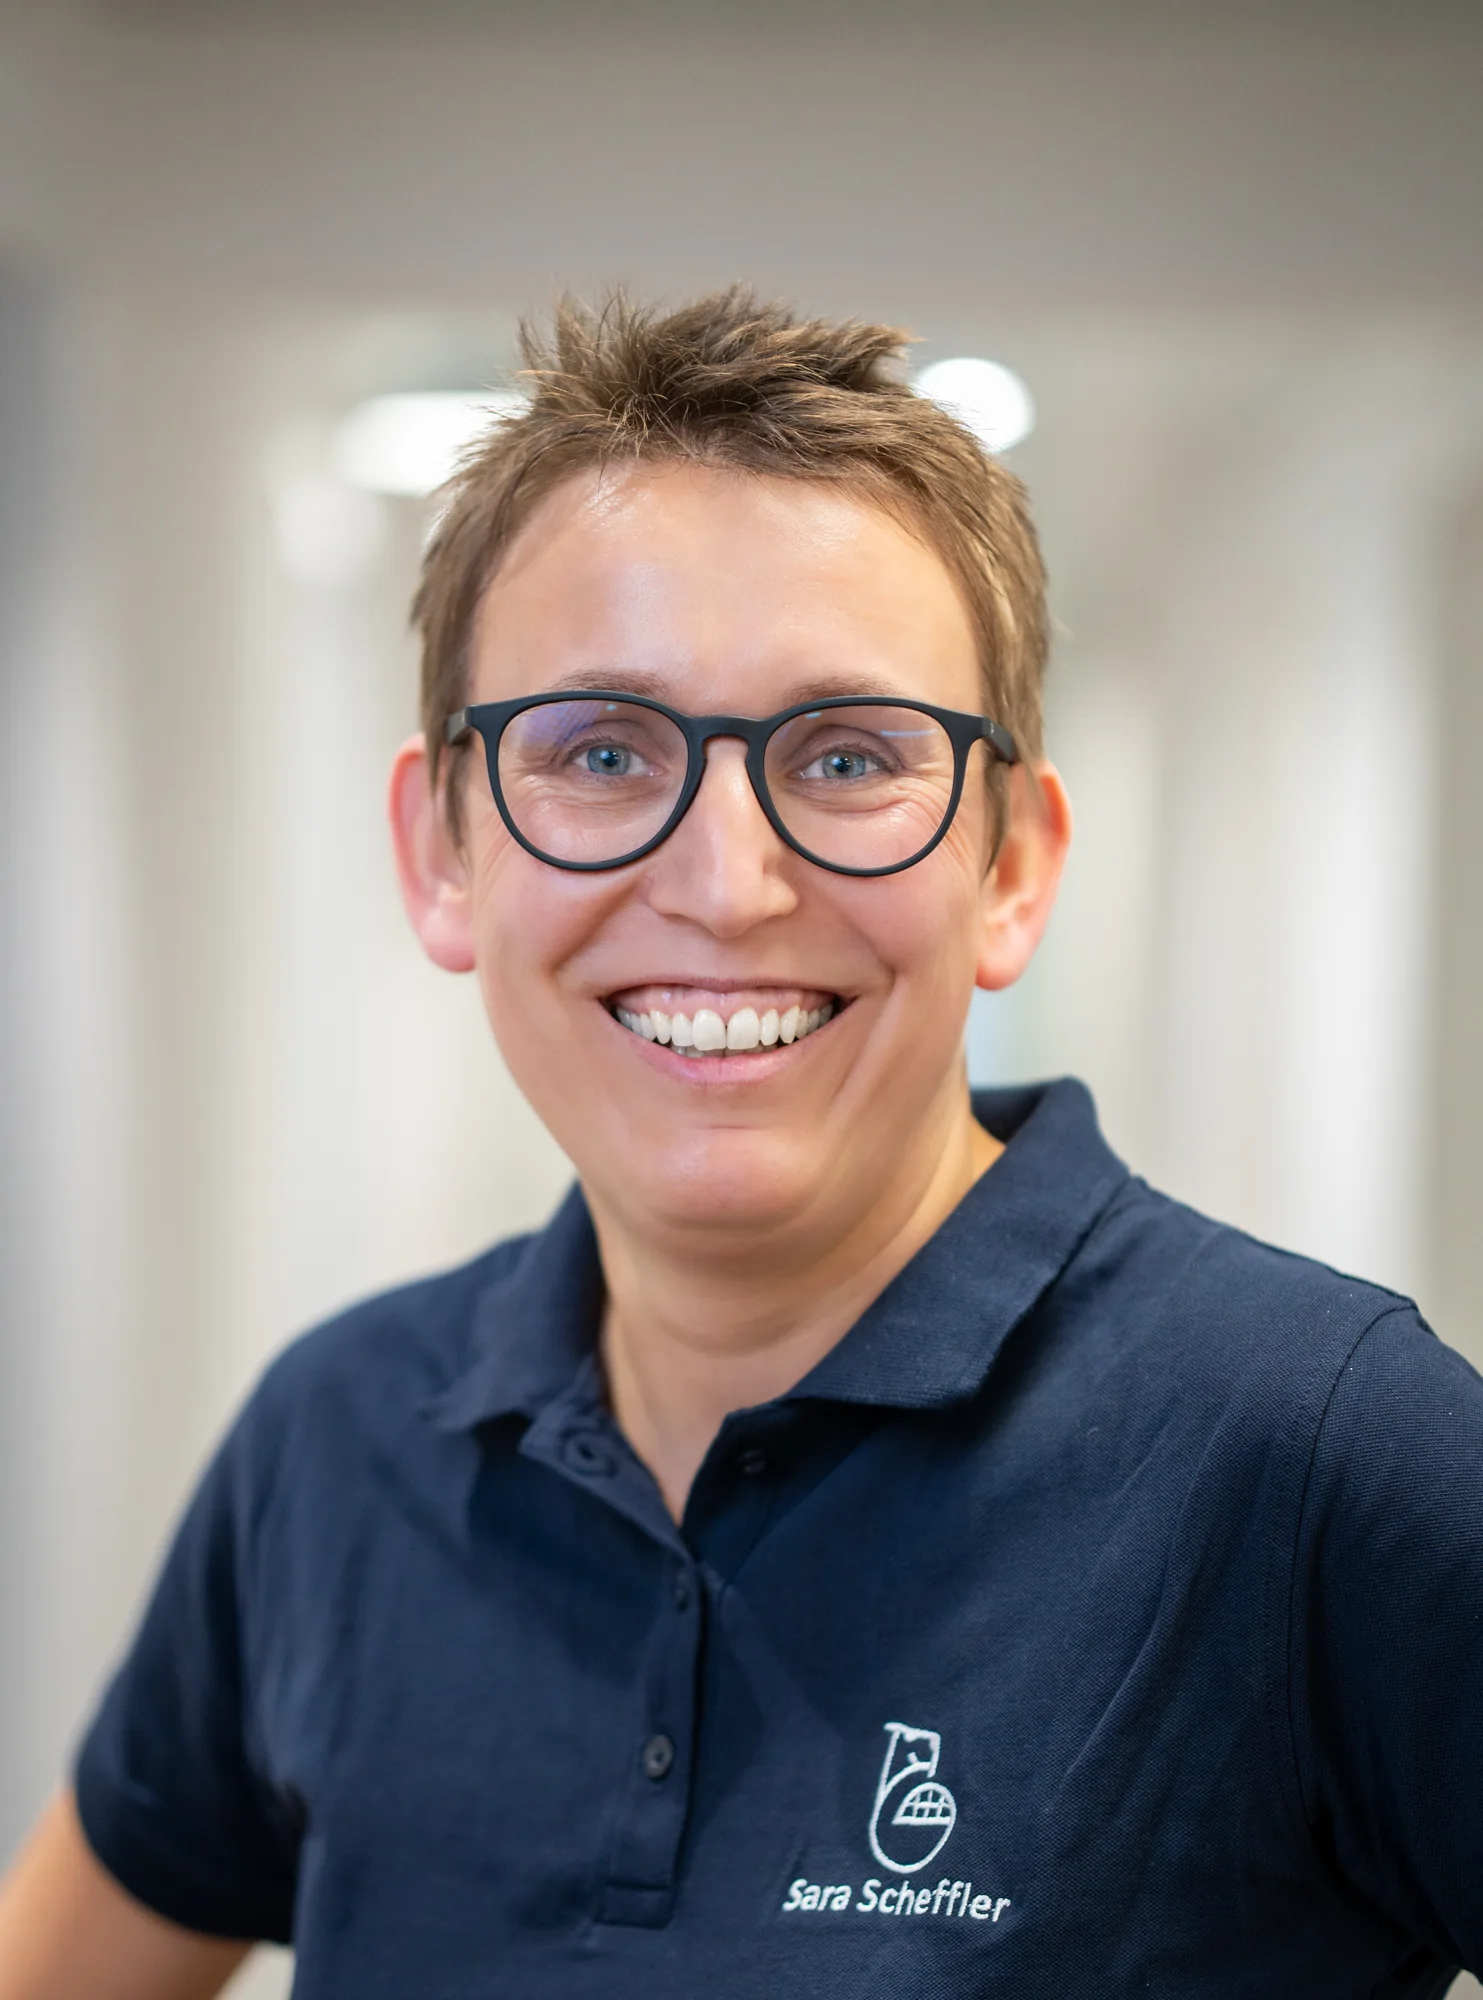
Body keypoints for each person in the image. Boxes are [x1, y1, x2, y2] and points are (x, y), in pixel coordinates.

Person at [0, 287, 1479, 2000]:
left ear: (1010, 868)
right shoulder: (331, 1448)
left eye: (847, 755)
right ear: (441, 854)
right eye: (603, 750)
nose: (722, 883)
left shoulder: (1319, 1457)